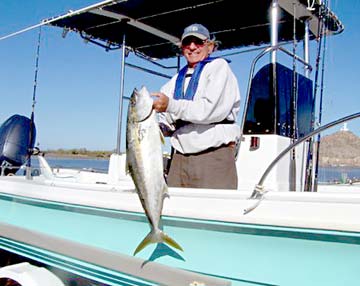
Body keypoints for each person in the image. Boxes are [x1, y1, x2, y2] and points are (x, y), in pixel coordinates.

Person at [152, 23, 241, 189]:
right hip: (179, 158)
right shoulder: (173, 82)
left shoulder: (219, 68)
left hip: (212, 156)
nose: (192, 47)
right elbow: (167, 120)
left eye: (198, 42)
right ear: (182, 48)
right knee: (175, 211)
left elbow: (209, 111)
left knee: (214, 211)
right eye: (187, 43)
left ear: (210, 46)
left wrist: (170, 105)